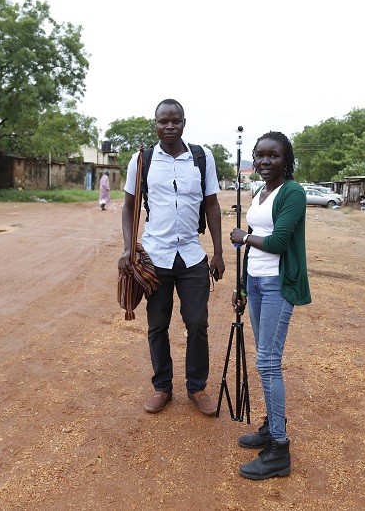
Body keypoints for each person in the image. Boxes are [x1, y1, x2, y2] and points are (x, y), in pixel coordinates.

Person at [118, 99, 225, 416]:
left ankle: (197, 388)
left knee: (198, 322)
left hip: (192, 256)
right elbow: (128, 206)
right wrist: (128, 246)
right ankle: (162, 387)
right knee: (157, 324)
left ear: (183, 122)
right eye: (163, 121)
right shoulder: (143, 161)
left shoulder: (201, 158)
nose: (169, 126)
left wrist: (218, 252)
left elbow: (213, 205)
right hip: (155, 257)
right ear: (156, 123)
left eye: (174, 121)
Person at [230, 131, 311, 480]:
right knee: (266, 361)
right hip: (257, 284)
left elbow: (277, 242)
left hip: (279, 285)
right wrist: (241, 287)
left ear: (286, 159)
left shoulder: (293, 192)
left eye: (273, 156)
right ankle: (270, 427)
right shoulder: (260, 192)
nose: (265, 162)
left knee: (267, 361)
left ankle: (279, 447)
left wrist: (244, 236)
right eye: (260, 156)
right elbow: (252, 252)